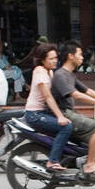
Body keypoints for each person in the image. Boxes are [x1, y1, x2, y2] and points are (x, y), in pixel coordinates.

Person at [50, 40, 95, 176]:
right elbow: (76, 94)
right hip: (64, 113)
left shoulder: (70, 74)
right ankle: (90, 164)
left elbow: (87, 91)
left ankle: (87, 156)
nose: (82, 57)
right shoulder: (60, 75)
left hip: (70, 112)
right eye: (79, 54)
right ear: (70, 56)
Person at [23, 43, 74, 171]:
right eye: (51, 59)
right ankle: (52, 161)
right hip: (35, 115)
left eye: (55, 58)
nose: (54, 61)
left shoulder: (49, 71)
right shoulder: (40, 72)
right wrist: (60, 116)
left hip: (43, 112)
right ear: (42, 60)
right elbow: (48, 97)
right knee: (66, 127)